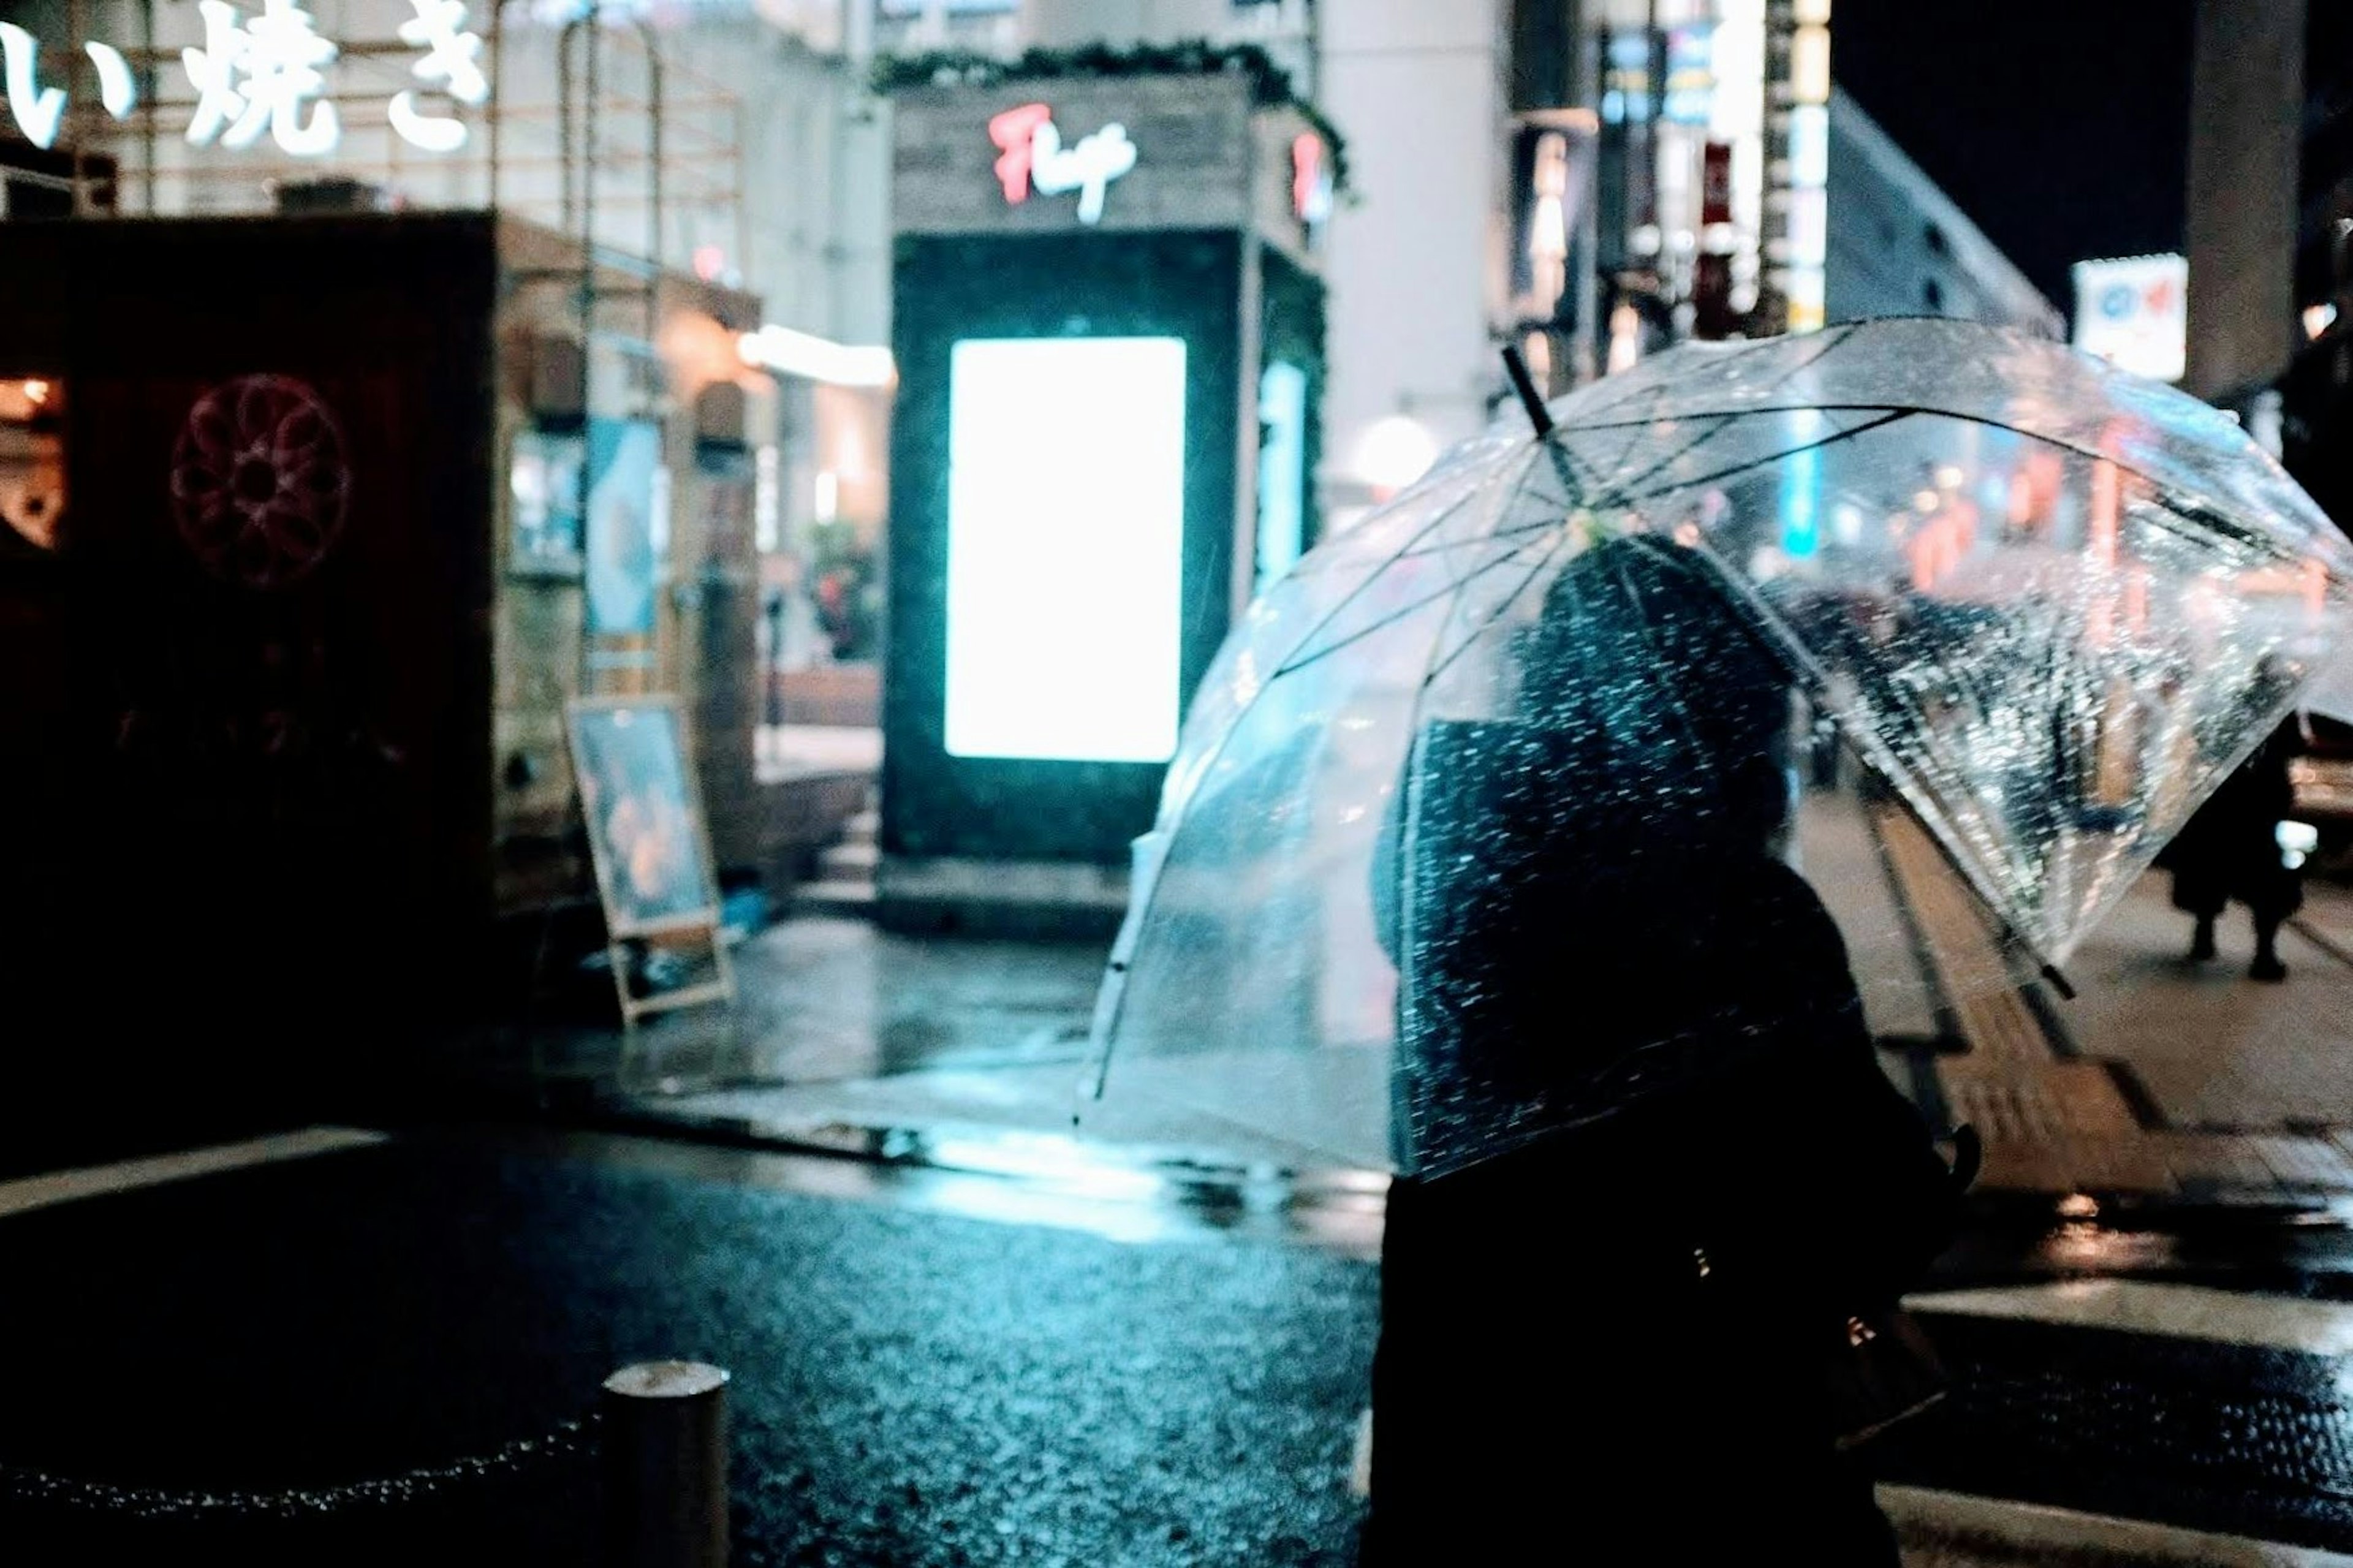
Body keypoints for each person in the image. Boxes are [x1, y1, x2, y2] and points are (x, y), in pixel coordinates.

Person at [1361, 536, 1967, 1565]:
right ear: (1728, 700)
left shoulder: (1456, 869)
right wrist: (1934, 1174)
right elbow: (1865, 1200)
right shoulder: (1747, 914)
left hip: (1465, 1435)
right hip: (1695, 1450)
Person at [2165, 714, 2305, 982]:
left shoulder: (2235, 697)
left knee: (2217, 870)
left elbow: (2206, 736)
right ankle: (2262, 952)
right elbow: (2295, 746)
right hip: (2253, 806)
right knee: (2260, 881)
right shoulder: (2282, 703)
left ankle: (2209, 934)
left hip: (2234, 802)